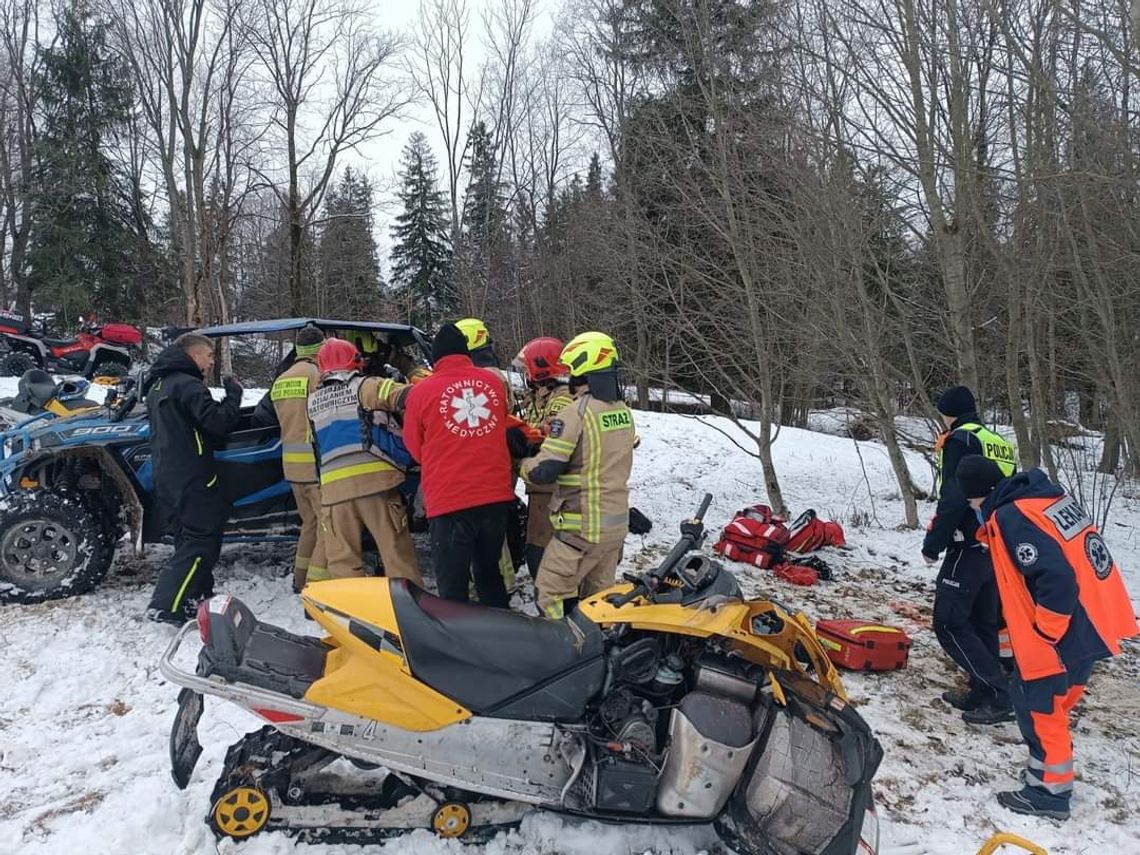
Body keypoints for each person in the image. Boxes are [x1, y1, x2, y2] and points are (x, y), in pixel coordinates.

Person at [958, 455, 1137, 820]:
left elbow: (1054, 578)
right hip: (1093, 623)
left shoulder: (1012, 517)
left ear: (981, 495)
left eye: (972, 503)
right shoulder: (1045, 500)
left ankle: (1049, 794)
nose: (973, 510)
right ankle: (1050, 768)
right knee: (1054, 707)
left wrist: (1046, 632)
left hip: (1061, 633)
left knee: (1036, 706)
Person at [519, 331, 636, 619]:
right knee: (598, 600)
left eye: (571, 371)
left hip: (581, 529)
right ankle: (598, 648)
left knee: (549, 594)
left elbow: (544, 471)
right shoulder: (623, 412)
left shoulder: (575, 413)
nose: (568, 378)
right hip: (615, 527)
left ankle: (563, 647)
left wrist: (519, 462)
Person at [923, 385, 1018, 724]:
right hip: (997, 542)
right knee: (983, 623)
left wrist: (934, 542)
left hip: (969, 541)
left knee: (948, 623)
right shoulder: (996, 440)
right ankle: (982, 692)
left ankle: (999, 693)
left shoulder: (959, 440)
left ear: (948, 412)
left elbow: (954, 495)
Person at [402, 322, 515, 607]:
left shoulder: (421, 392)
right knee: (490, 576)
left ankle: (457, 645)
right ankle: (505, 636)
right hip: (495, 497)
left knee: (452, 588)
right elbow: (501, 425)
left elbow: (414, 448)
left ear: (436, 359)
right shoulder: (492, 384)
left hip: (450, 501)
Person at [144, 332, 243, 624]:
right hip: (193, 476)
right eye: (209, 356)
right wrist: (234, 396)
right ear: (195, 355)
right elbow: (218, 424)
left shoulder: (159, 385)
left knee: (186, 539)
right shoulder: (188, 386)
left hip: (167, 475)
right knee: (201, 542)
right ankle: (165, 605)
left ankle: (195, 596)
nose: (211, 363)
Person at [307, 338, 422, 586]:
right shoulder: (366, 386)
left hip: (333, 495)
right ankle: (410, 614)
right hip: (376, 488)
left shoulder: (312, 402)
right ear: (355, 362)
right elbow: (407, 397)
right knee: (396, 556)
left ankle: (353, 618)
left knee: (343, 564)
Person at [269, 323, 326, 591]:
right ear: (319, 349)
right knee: (328, 526)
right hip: (316, 467)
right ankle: (316, 585)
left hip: (291, 467)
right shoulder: (316, 376)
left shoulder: (282, 379)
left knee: (310, 524)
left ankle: (299, 579)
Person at [512, 337, 574, 573]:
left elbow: (551, 432)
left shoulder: (562, 397)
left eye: (528, 367)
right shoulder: (538, 396)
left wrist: (523, 438)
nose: (525, 373)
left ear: (540, 368)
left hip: (551, 485)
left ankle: (552, 597)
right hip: (539, 481)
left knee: (540, 544)